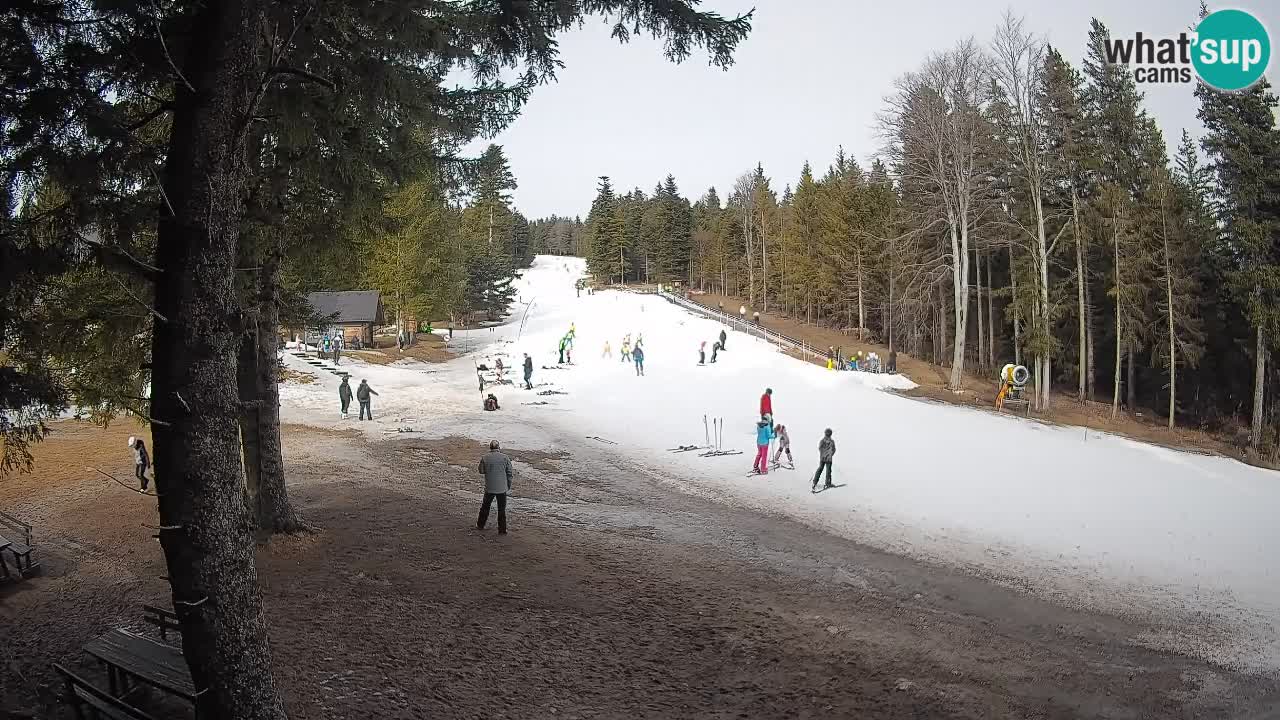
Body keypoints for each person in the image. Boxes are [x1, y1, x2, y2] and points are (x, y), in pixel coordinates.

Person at [477, 440, 514, 534]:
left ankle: (480, 525)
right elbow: (509, 473)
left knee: (485, 507)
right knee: (501, 509)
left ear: (490, 447)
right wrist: (508, 485)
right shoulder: (505, 458)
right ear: (499, 447)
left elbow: (481, 471)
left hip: (489, 487)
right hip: (502, 488)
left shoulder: (485, 457)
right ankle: (502, 530)